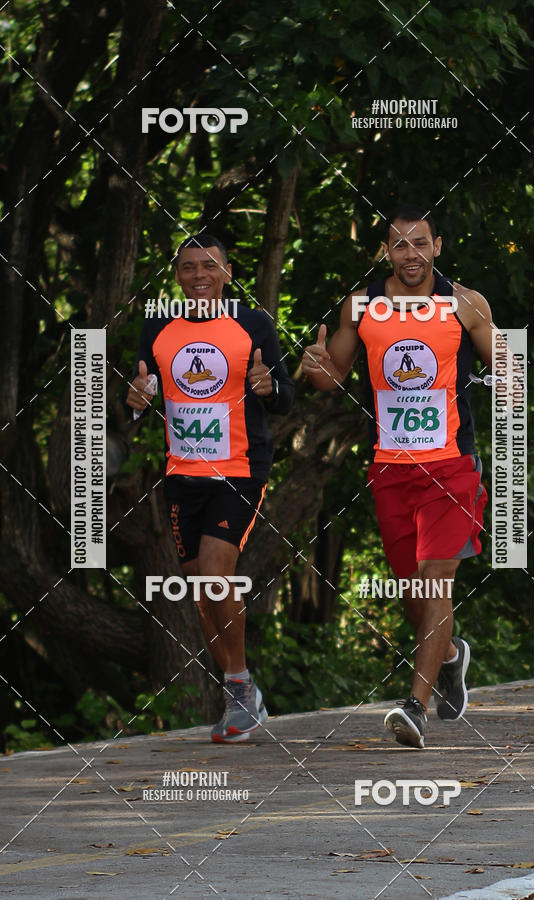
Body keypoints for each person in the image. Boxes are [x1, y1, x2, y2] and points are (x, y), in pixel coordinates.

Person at [301, 203, 495, 749]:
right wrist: (317, 368)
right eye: (399, 245)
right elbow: (331, 376)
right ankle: (452, 655)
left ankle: (414, 704)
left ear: (438, 246)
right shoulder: (362, 306)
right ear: (386, 251)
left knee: (435, 580)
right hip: (390, 467)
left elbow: (506, 364)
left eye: (420, 243)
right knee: (414, 590)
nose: (410, 254)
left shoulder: (465, 304)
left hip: (453, 467)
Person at [126, 234, 294, 742]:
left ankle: (239, 689)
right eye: (188, 267)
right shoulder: (158, 328)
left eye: (209, 266)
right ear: (177, 276)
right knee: (202, 588)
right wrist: (133, 401)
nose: (199, 275)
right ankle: (240, 691)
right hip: (182, 474)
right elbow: (134, 398)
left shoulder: (253, 323)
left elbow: (285, 396)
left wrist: (270, 387)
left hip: (241, 468)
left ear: (225, 272)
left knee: (218, 573)